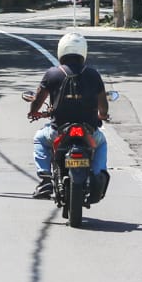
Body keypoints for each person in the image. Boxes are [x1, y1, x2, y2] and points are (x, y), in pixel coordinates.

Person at [27, 31, 109, 199]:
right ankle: (97, 175)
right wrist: (103, 115)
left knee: (40, 139)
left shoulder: (52, 74)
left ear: (61, 51)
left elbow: (37, 100)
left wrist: (34, 112)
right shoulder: (93, 74)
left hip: (59, 132)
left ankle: (45, 179)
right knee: (101, 143)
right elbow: (103, 106)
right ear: (83, 52)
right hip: (88, 131)